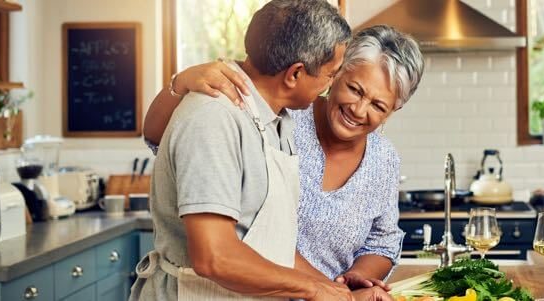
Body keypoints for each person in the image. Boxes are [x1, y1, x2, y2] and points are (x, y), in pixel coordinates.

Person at [143, 24, 425, 299]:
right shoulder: (284, 115)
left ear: (392, 111)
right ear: (335, 74)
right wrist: (179, 84)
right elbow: (162, 138)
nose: (359, 110)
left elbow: (382, 240)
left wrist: (350, 282)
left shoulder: (384, 159)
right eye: (355, 89)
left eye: (378, 106)